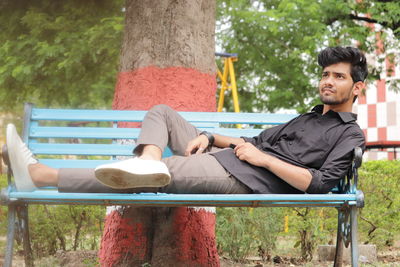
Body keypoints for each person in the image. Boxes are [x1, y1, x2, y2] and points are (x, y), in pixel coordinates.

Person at [6, 46, 367, 195]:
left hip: (244, 177)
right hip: (234, 158)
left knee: (170, 170)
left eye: (338, 76)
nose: (327, 81)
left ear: (357, 88)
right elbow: (254, 143)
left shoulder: (349, 134)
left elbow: (318, 184)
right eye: (325, 75)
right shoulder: (306, 118)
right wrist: (210, 137)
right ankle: (146, 162)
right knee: (162, 112)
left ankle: (41, 177)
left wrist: (262, 159)